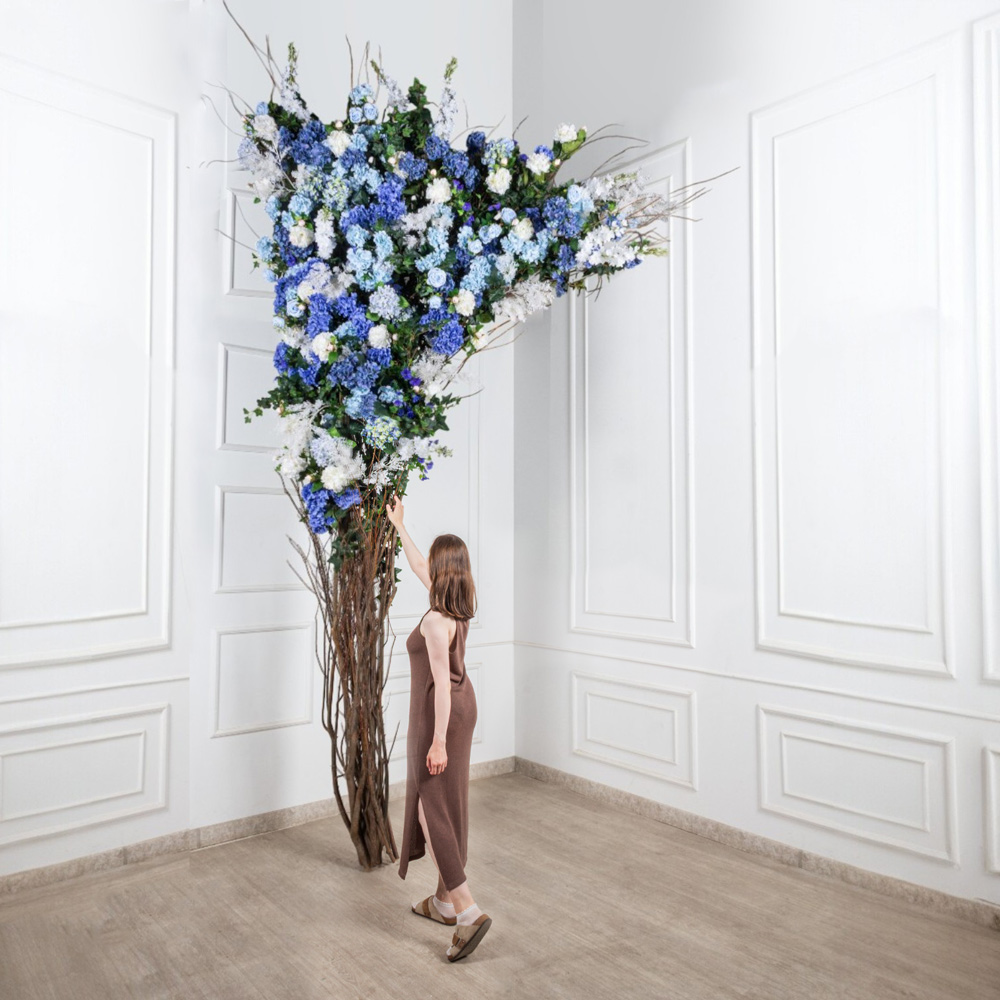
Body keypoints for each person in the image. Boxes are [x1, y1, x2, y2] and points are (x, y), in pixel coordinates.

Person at [386, 495, 493, 962]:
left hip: (441, 714)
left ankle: (467, 910)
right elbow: (416, 565)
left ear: (441, 569)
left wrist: (436, 742)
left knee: (431, 807)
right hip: (464, 707)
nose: (425, 564)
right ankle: (443, 901)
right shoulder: (454, 607)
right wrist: (399, 526)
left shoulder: (434, 621)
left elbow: (441, 689)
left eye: (432, 560)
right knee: (451, 800)